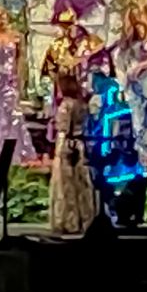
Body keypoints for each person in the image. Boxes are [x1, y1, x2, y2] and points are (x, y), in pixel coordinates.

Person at [0, 7, 38, 165]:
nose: (1, 20)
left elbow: (20, 58)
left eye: (3, 16)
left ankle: (13, 150)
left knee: (11, 114)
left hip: (10, 80)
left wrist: (18, 76)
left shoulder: (15, 37)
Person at [42, 0, 104, 116]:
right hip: (64, 88)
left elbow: (99, 52)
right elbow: (52, 70)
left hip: (84, 89)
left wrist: (86, 58)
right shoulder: (58, 45)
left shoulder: (89, 41)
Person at [114, 7, 147, 162]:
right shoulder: (132, 37)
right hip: (132, 80)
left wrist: (140, 66)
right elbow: (122, 55)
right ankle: (141, 149)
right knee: (135, 113)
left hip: (146, 78)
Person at [49, 75, 97, 235]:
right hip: (81, 144)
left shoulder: (65, 106)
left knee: (66, 185)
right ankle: (84, 219)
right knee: (81, 185)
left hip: (67, 145)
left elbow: (64, 128)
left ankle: (69, 221)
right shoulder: (82, 104)